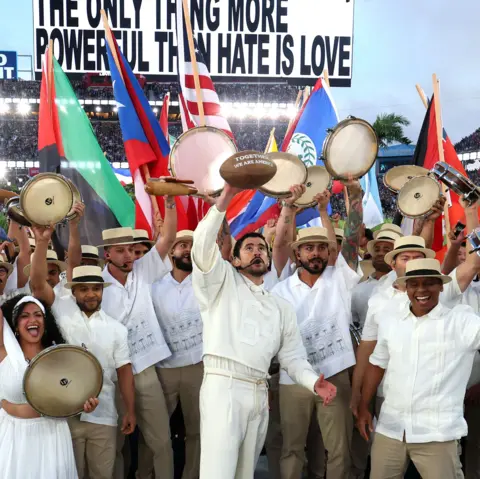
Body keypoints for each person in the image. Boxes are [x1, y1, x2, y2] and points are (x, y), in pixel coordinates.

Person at [191, 182, 337, 479]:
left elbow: (293, 358)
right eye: (249, 248)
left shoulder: (280, 307)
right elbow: (203, 247)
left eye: (262, 248)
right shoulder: (219, 284)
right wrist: (225, 201)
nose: (257, 252)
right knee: (218, 473)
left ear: (270, 260)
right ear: (234, 259)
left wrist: (313, 383)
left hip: (258, 391)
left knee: (244, 474)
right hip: (223, 386)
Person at [356, 258, 480, 478]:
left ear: (441, 286)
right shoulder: (391, 320)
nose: (421, 289)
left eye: (429, 283)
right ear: (406, 288)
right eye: (414, 284)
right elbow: (377, 364)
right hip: (391, 430)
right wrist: (364, 406)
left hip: (437, 434)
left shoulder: (461, 321)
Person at [272, 180, 363, 479]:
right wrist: (289, 208)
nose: (315, 254)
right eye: (308, 248)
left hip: (335, 373)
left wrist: (347, 200)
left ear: (329, 252)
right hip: (292, 380)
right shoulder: (280, 290)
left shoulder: (340, 278)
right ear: (298, 254)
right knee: (292, 449)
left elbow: (351, 239)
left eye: (321, 248)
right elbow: (280, 244)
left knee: (338, 450)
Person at [30, 226, 136, 479]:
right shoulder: (60, 309)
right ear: (73, 291)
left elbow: (124, 372)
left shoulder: (117, 330)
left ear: (102, 291)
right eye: (84, 289)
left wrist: (130, 410)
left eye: (96, 289)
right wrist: (43, 241)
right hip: (65, 414)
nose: (91, 294)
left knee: (102, 474)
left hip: (105, 414)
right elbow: (36, 283)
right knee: (70, 474)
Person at [98, 192, 177, 479]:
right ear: (107, 254)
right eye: (120, 251)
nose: (129, 255)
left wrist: (169, 201)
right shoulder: (97, 286)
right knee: (115, 444)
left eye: (131, 250)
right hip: (112, 373)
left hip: (145, 369)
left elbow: (167, 239)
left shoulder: (143, 270)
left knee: (162, 441)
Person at [0, 294, 99, 478]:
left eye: (38, 315)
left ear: (45, 322)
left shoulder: (60, 356)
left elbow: (73, 396)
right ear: (14, 325)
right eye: (24, 316)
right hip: (13, 438)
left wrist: (85, 405)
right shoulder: (4, 352)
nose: (32, 320)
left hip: (52, 436)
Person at [153, 229, 202, 479]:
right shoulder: (154, 286)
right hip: (163, 368)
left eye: (192, 245)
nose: (187, 250)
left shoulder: (207, 283)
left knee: (197, 431)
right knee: (156, 432)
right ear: (171, 251)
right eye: (181, 245)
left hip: (198, 367)